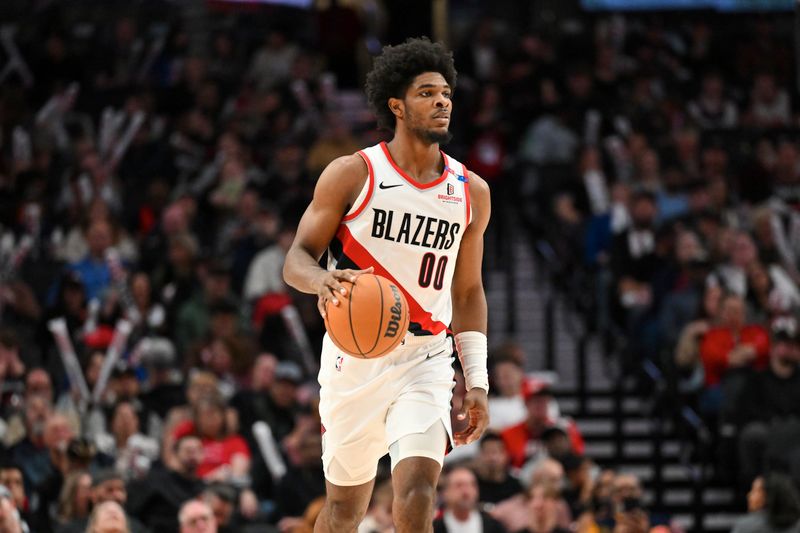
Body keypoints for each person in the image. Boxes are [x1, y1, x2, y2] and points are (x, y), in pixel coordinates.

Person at [283, 37, 491, 533]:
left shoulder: (471, 193)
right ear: (396, 105)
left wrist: (477, 382)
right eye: (426, 93)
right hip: (352, 360)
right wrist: (321, 280)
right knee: (343, 513)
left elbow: (466, 293)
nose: (442, 101)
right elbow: (297, 258)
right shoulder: (353, 174)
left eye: (445, 93)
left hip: (425, 359)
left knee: (418, 489)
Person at [432, 466, 506, 533]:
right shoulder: (433, 528)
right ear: (445, 492)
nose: (466, 492)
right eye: (459, 485)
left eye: (471, 485)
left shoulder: (494, 527)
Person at [732, 474, 800, 533]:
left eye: (754, 490)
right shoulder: (797, 525)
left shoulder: (746, 526)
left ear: (769, 496)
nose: (749, 495)